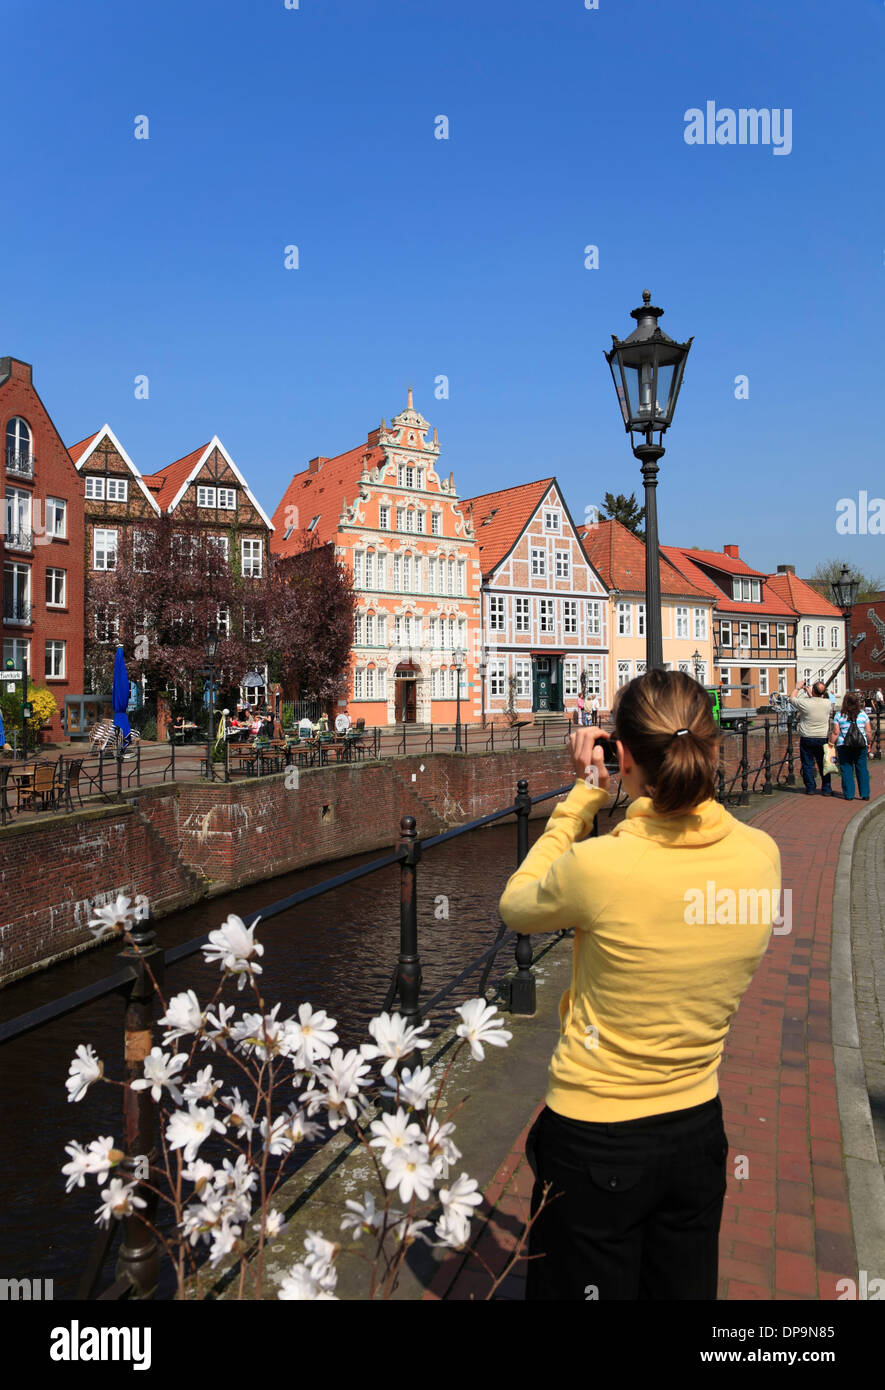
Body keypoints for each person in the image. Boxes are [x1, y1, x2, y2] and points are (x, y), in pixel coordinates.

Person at [498, 669, 780, 1301]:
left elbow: (517, 904)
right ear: (712, 746)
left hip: (596, 1138)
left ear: (619, 755)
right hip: (696, 1132)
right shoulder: (763, 856)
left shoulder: (603, 867)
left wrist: (581, 797)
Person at [790, 679, 834, 795]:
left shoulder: (805, 703)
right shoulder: (828, 703)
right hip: (822, 737)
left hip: (807, 737)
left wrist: (797, 687)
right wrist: (812, 694)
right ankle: (826, 789)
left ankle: (810, 788)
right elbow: (818, 701)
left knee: (807, 764)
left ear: (813, 691)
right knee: (824, 764)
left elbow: (792, 699)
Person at [828, 690, 871, 801]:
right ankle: (865, 794)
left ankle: (849, 794)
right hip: (861, 745)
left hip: (844, 745)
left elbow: (836, 732)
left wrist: (831, 745)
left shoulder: (839, 715)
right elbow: (868, 732)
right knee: (862, 769)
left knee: (846, 769)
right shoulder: (863, 715)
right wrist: (869, 743)